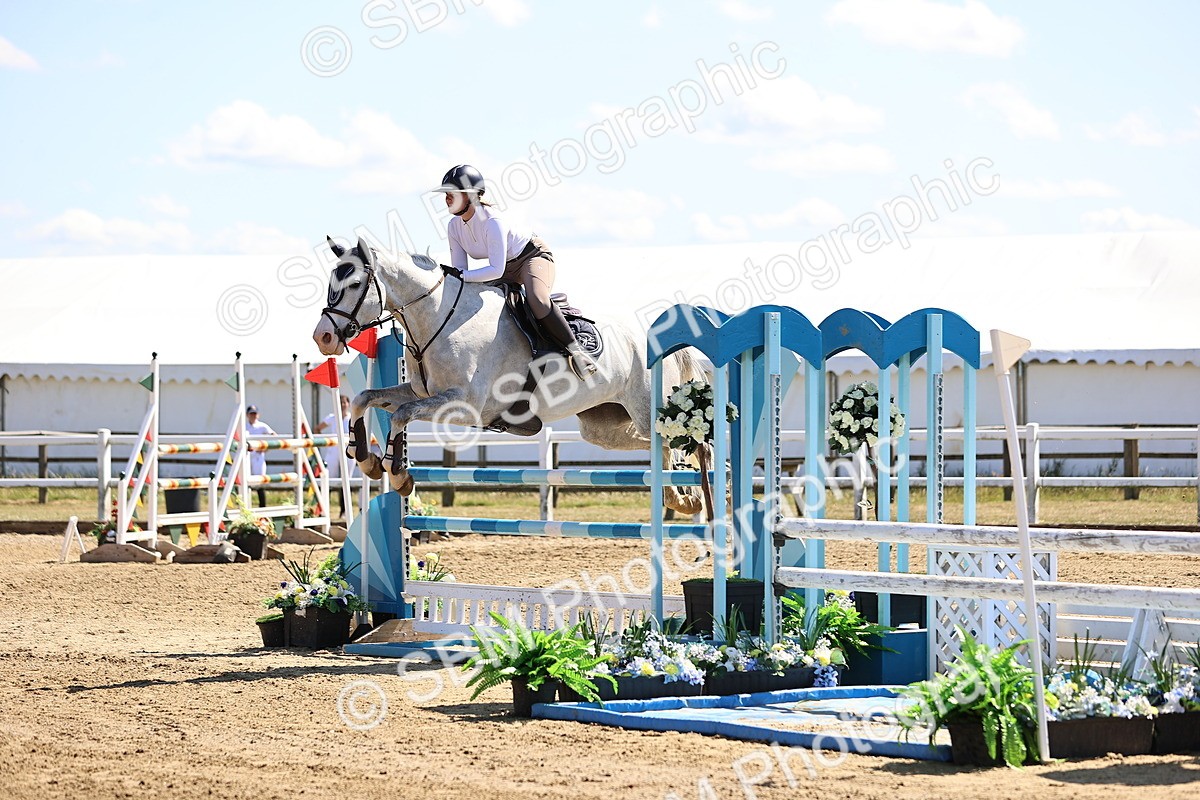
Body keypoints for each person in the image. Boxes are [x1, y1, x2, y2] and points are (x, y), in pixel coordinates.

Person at [432, 164, 597, 379]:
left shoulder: (492, 222)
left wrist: (460, 276)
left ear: (471, 196)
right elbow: (461, 271)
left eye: (452, 194)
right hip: (502, 268)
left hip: (532, 257)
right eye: (446, 194)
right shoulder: (454, 226)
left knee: (537, 299)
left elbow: (493, 269)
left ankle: (577, 353)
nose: (447, 199)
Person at [315, 394, 356, 519]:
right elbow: (317, 428)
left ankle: (344, 511)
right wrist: (324, 442)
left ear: (348, 404)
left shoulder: (352, 418)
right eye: (340, 402)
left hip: (348, 450)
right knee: (329, 479)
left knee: (346, 480)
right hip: (333, 450)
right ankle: (324, 510)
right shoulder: (332, 417)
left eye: (345, 402)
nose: (343, 405)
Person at [244, 405, 276, 507]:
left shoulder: (262, 426)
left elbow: (274, 436)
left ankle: (262, 506)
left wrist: (266, 449)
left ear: (258, 415)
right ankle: (246, 505)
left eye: (254, 414)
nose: (253, 416)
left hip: (258, 456)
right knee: (245, 480)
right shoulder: (243, 426)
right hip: (246, 456)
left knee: (260, 481)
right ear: (247, 415)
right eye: (251, 414)